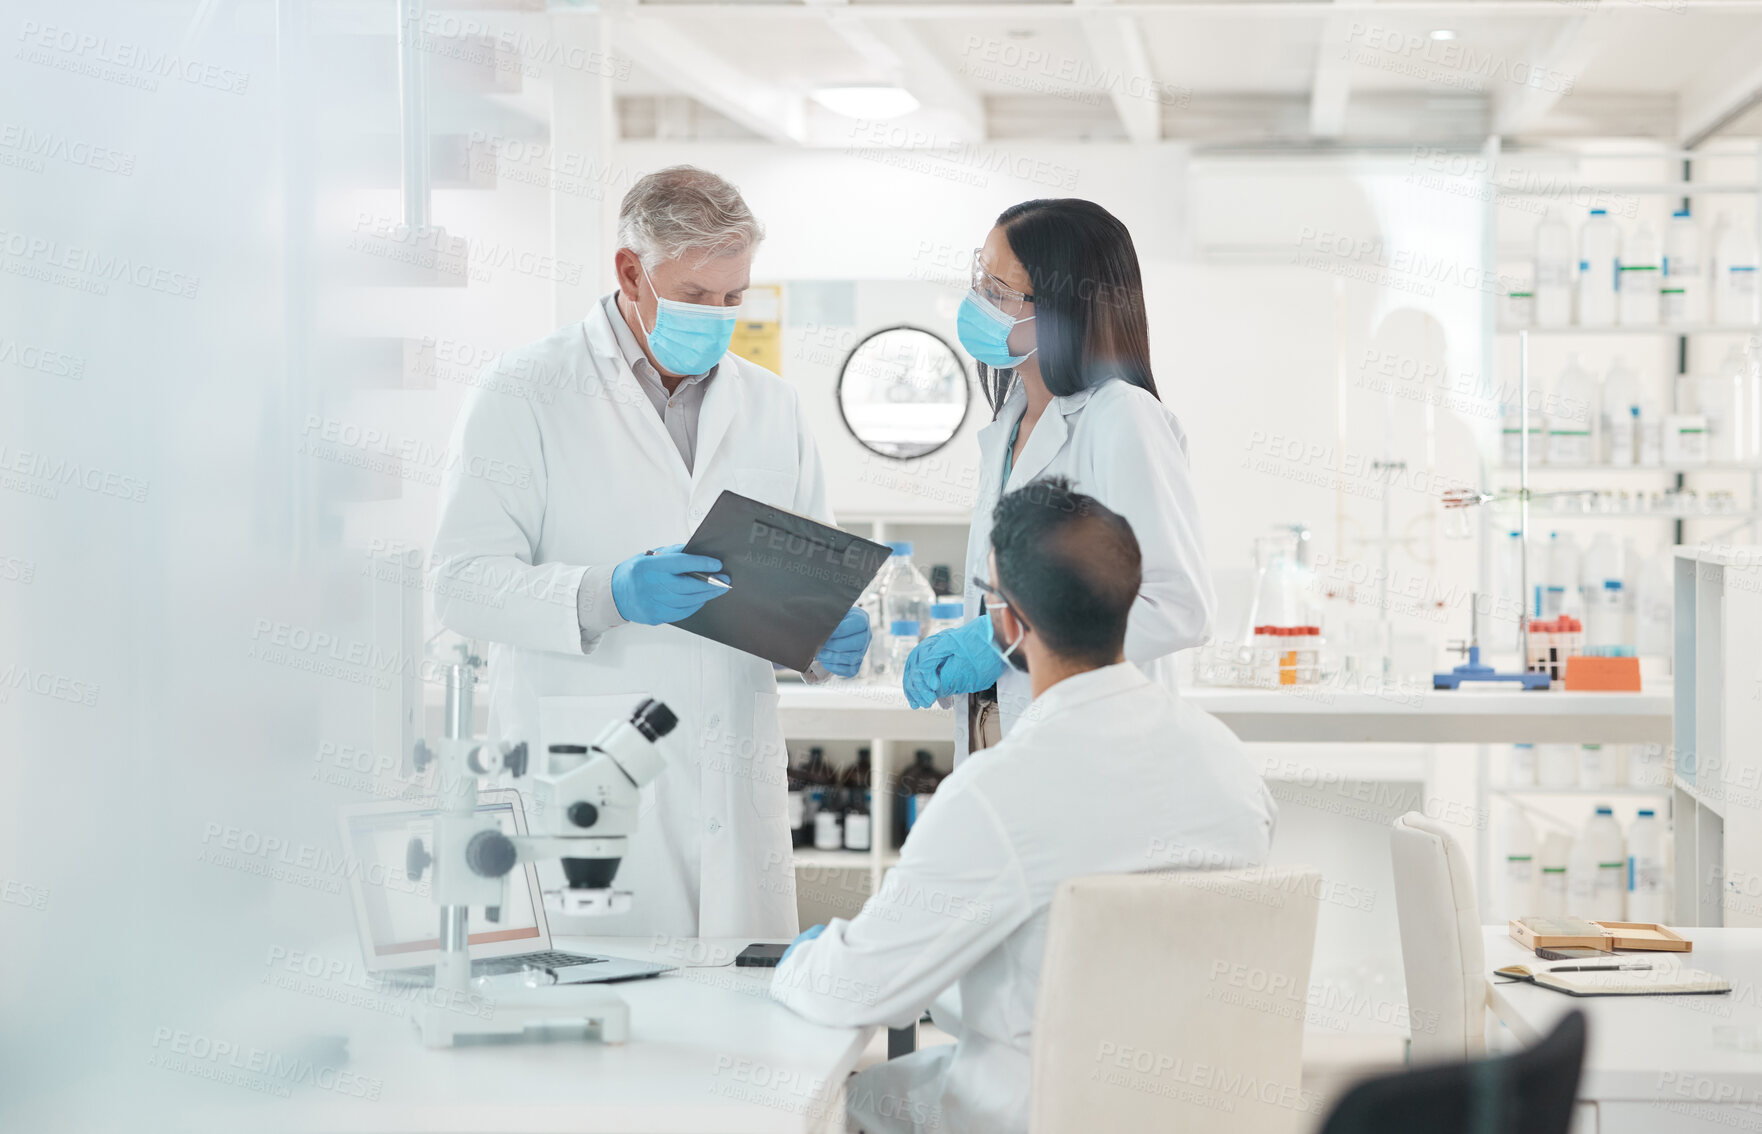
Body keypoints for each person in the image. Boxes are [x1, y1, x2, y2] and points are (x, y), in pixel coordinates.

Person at [430, 166, 869, 939]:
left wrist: (827, 635)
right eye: (698, 297)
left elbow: (811, 575)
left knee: (739, 1025)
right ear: (631, 273)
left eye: (735, 299)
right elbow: (460, 584)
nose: (720, 317)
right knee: (598, 1024)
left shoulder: (772, 407)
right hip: (590, 766)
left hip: (732, 774)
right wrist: (607, 595)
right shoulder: (524, 391)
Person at [772, 477, 1277, 1134]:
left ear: (1005, 622)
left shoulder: (996, 794)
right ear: (1128, 602)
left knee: (850, 1100)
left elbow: (854, 990)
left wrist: (803, 963)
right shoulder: (1229, 762)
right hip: (1199, 1110)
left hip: (1037, 1112)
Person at [901, 199, 1214, 763]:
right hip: (1006, 746)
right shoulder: (1010, 423)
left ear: (1064, 310)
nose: (979, 304)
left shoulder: (1121, 417)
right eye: (980, 280)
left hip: (1099, 753)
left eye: (999, 293)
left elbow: (1178, 607)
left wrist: (1009, 639)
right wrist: (986, 637)